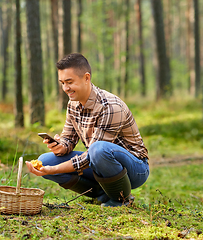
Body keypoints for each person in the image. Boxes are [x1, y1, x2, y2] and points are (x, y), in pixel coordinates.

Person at [26, 53, 149, 207]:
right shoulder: (73, 104)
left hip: (135, 168)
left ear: (86, 78)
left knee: (98, 149)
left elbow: (91, 155)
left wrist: (53, 170)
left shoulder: (110, 107)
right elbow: (68, 140)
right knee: (45, 160)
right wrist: (60, 146)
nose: (65, 88)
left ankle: (121, 199)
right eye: (62, 82)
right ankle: (102, 195)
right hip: (98, 161)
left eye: (69, 82)